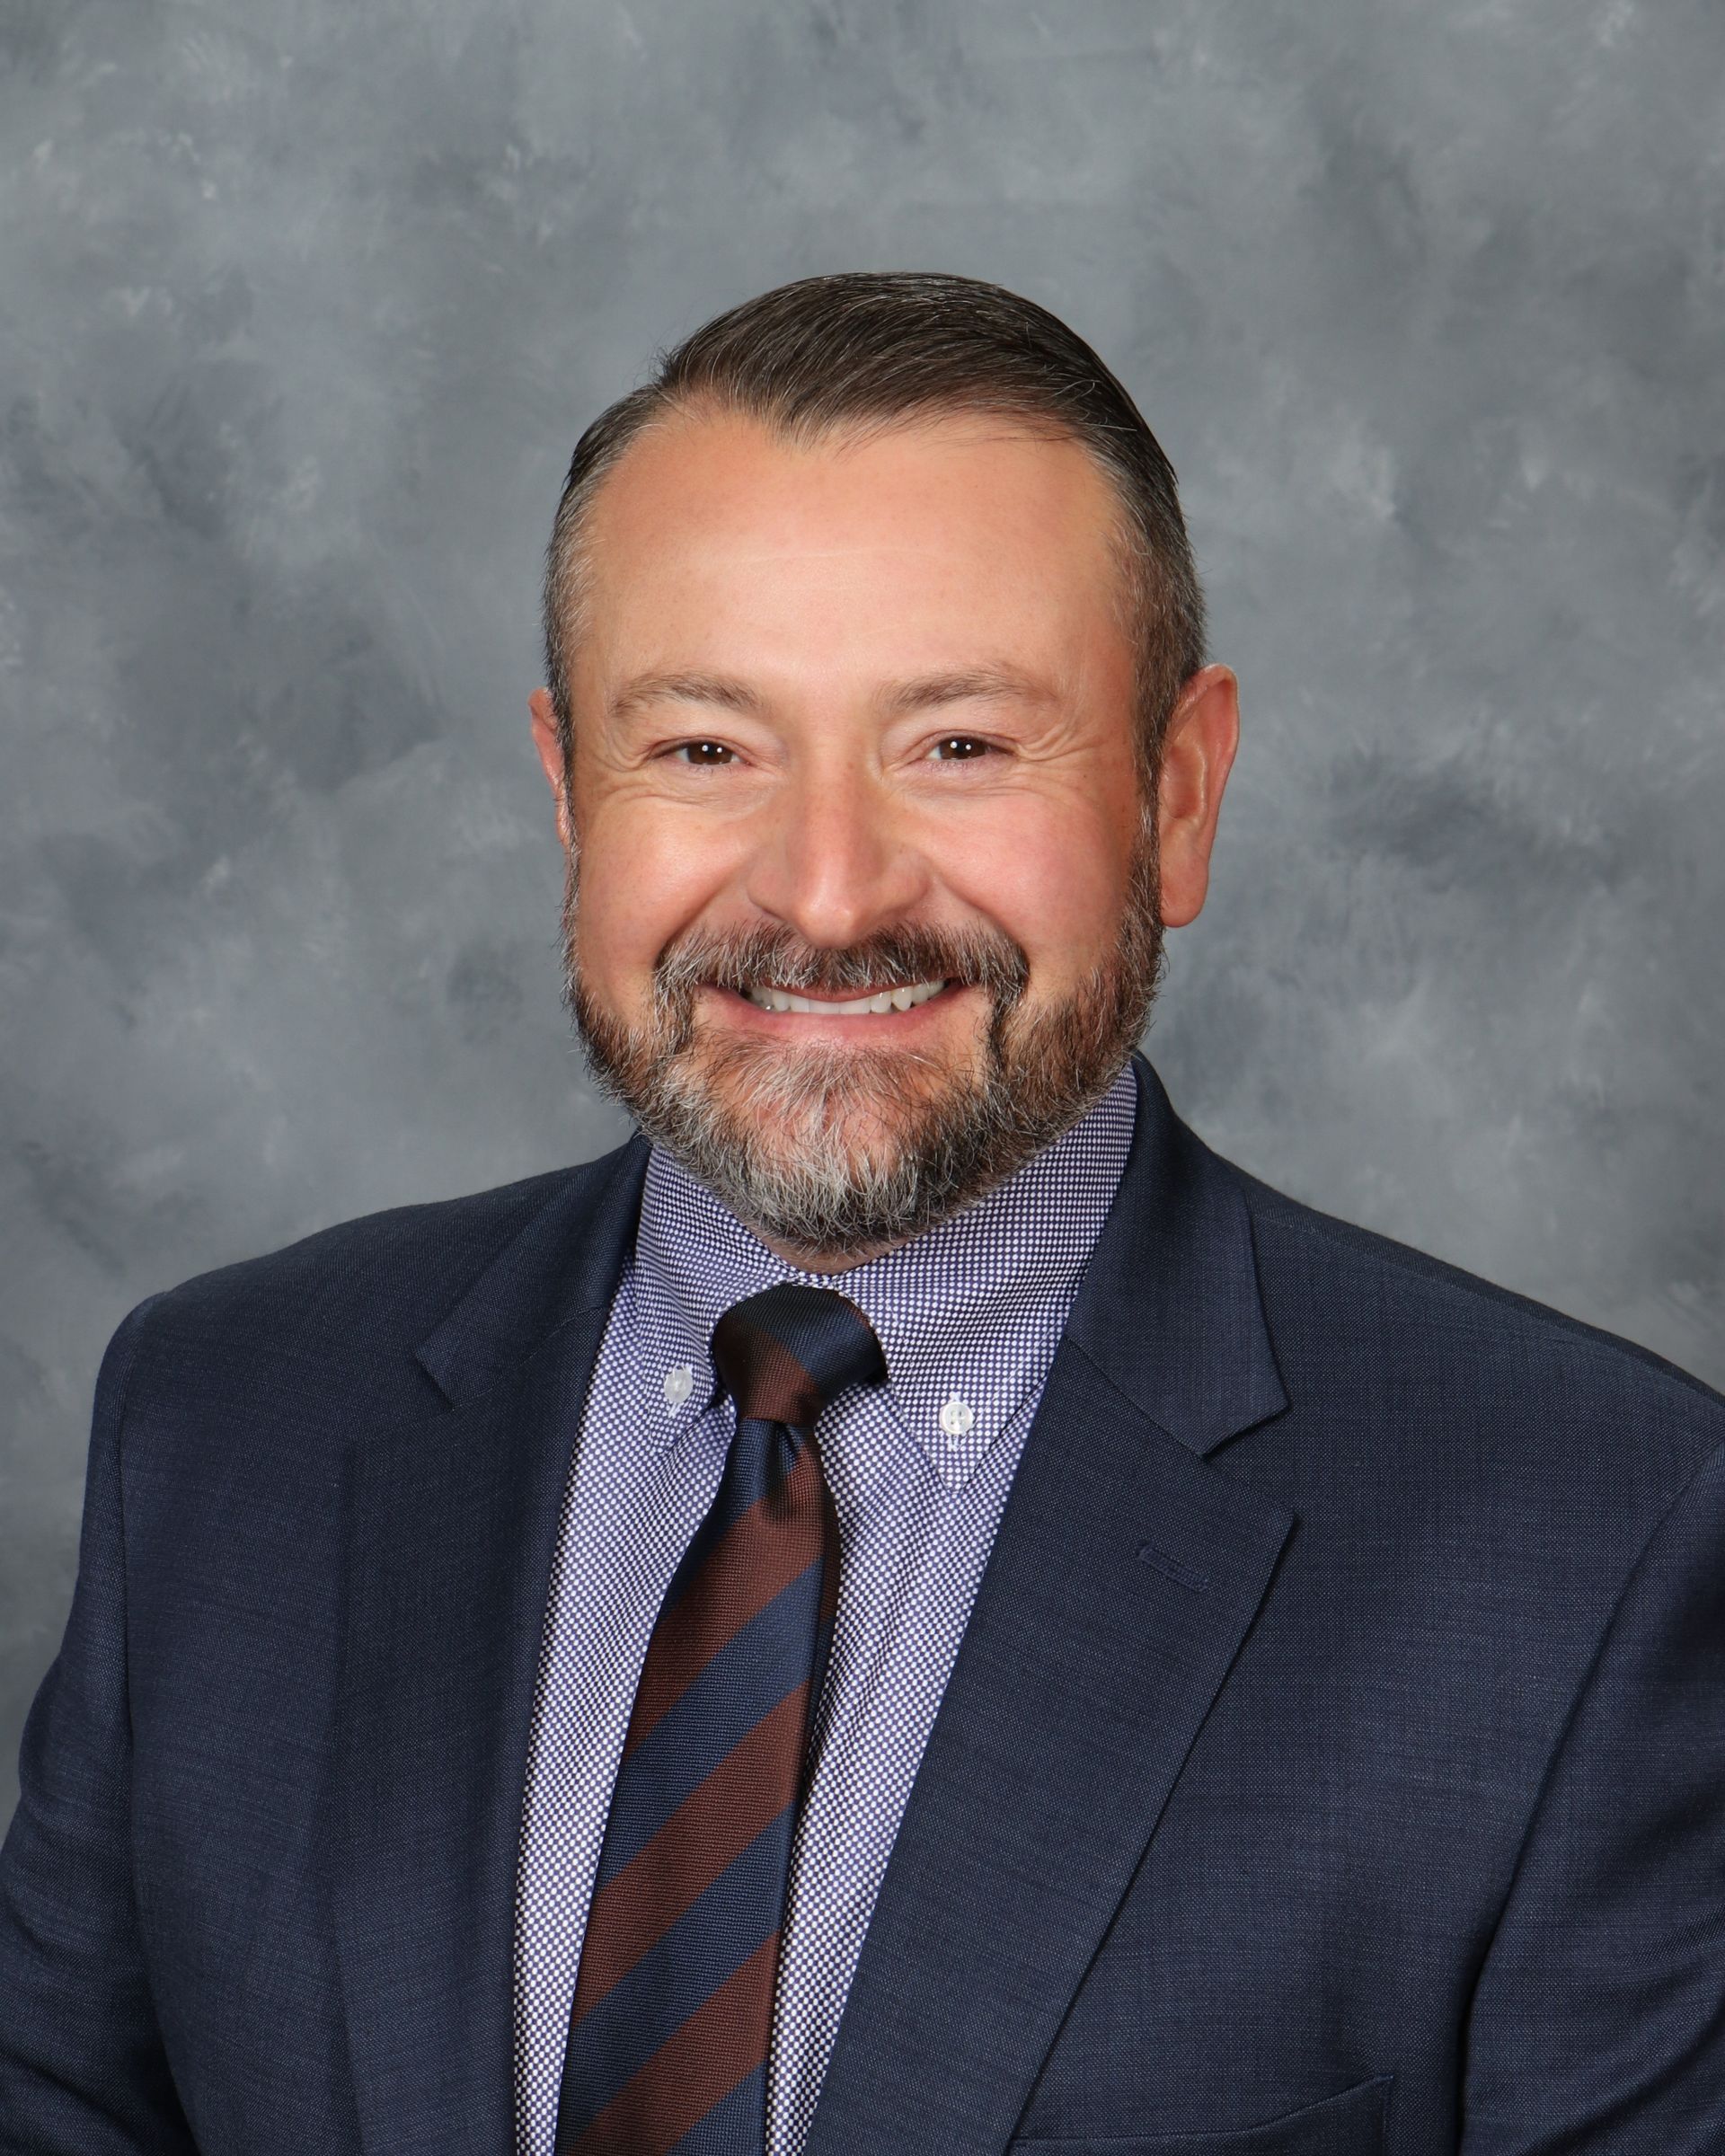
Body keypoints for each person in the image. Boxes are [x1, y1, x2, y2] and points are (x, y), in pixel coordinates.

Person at [2, 270, 1721, 2156]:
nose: (825, 895)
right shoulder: (224, 1420)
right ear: (572, 791)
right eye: (706, 748)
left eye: (960, 745)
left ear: (1178, 793)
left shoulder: (1594, 1546)